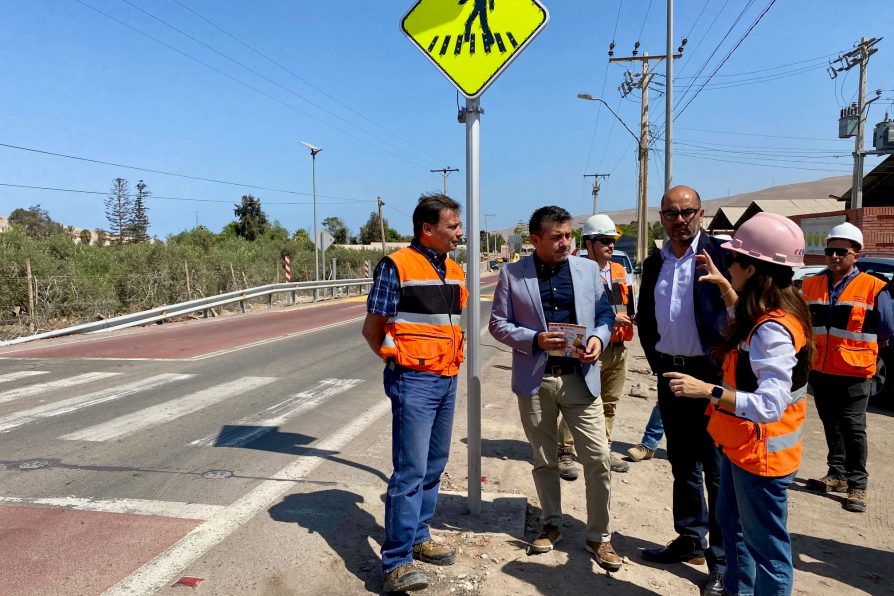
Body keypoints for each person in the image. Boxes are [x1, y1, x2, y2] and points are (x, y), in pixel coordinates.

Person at [664, 211, 813, 595]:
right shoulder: (770, 311)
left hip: (762, 458)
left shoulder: (774, 329)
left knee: (768, 553)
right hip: (742, 448)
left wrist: (706, 390)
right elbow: (746, 335)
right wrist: (727, 290)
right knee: (734, 532)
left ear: (752, 267)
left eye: (733, 259)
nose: (728, 263)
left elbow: (769, 405)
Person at [488, 205, 623, 572]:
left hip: (581, 378)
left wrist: (598, 337)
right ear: (535, 241)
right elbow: (498, 324)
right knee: (545, 458)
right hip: (536, 380)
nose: (566, 243)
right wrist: (533, 339)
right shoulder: (512, 275)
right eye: (556, 238)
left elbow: (605, 314)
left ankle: (600, 536)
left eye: (569, 236)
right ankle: (552, 522)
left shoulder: (588, 270)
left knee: (596, 458)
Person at [361, 194, 467, 593]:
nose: (460, 232)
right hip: (415, 381)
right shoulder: (397, 266)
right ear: (427, 229)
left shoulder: (454, 270)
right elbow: (373, 329)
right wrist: (400, 364)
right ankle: (397, 560)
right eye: (453, 226)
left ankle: (420, 535)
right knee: (410, 471)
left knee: (435, 463)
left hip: (447, 377)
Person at [637, 185, 728, 596]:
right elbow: (645, 320)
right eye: (671, 213)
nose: (680, 220)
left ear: (701, 213)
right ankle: (690, 539)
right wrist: (660, 365)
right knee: (682, 463)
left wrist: (719, 372)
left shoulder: (721, 257)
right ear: (661, 218)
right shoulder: (654, 262)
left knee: (716, 469)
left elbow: (740, 311)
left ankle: (722, 561)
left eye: (687, 212)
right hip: (670, 376)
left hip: (711, 379)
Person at [801, 222, 891, 513]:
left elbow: (887, 329)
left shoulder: (875, 287)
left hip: (854, 371)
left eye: (841, 251)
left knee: (854, 428)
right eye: (830, 251)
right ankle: (836, 473)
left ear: (856, 254)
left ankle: (858, 486)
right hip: (822, 369)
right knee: (831, 424)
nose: (834, 256)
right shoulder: (812, 284)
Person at [556, 213, 634, 477]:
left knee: (609, 402)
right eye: (604, 240)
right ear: (588, 243)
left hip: (618, 348)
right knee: (578, 401)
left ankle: (604, 447)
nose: (610, 246)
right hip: (590, 349)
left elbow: (629, 306)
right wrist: (612, 319)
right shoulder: (575, 272)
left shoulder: (620, 271)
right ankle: (566, 451)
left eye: (612, 240)